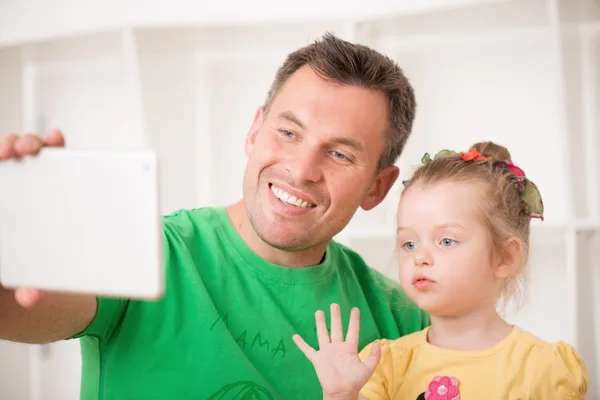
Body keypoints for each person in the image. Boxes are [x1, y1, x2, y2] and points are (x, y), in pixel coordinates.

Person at [0, 33, 430, 399]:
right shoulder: (148, 255)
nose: (301, 169)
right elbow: (15, 308)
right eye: (288, 132)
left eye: (339, 154)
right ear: (254, 132)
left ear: (377, 186)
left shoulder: (408, 320)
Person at [293, 142, 590, 399]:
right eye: (408, 243)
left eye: (446, 241)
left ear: (504, 258)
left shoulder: (542, 368)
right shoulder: (387, 364)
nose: (420, 257)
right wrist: (341, 395)